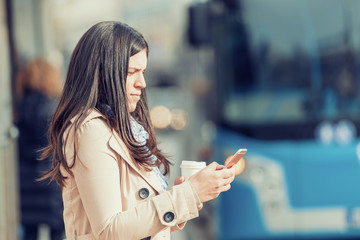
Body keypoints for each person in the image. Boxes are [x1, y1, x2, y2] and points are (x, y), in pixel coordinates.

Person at [40, 21, 236, 240]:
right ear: (104, 73)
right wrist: (187, 195)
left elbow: (136, 222)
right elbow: (110, 231)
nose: (142, 83)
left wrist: (184, 196)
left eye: (143, 71)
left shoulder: (122, 127)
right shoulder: (91, 130)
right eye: (132, 72)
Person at [16, 58, 64, 240]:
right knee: (57, 231)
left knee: (30, 232)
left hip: (26, 185)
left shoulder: (19, 108)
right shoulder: (54, 108)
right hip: (50, 182)